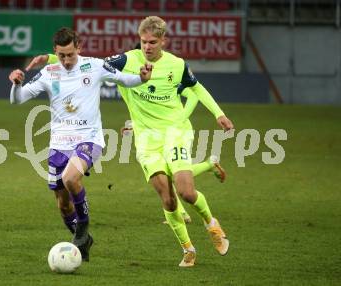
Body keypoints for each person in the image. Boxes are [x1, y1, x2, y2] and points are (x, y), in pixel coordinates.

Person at [26, 17, 234, 267]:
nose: (147, 47)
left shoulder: (176, 65)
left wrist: (219, 114)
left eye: (153, 42)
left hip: (175, 132)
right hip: (146, 139)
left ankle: (211, 224)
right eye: (144, 42)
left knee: (186, 192)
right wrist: (51, 59)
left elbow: (197, 88)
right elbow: (88, 64)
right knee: (167, 199)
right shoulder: (128, 60)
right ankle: (188, 249)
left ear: (163, 41)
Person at [8, 27, 152, 261]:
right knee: (63, 206)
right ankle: (83, 237)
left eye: (70, 55)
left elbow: (125, 79)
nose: (66, 60)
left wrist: (141, 78)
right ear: (55, 51)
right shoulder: (48, 72)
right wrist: (16, 84)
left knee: (71, 178)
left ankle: (83, 227)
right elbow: (18, 100)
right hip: (59, 143)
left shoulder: (94, 66)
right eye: (62, 55)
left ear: (79, 48)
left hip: (89, 138)